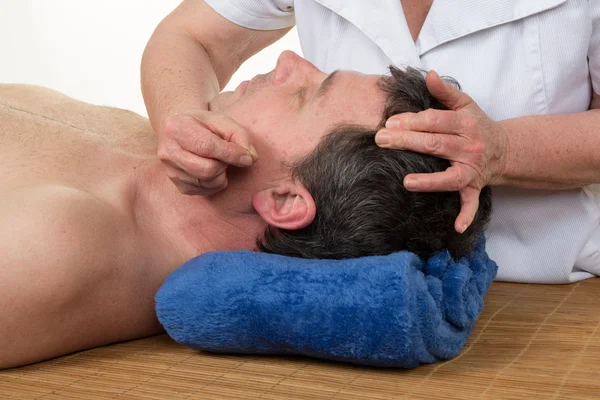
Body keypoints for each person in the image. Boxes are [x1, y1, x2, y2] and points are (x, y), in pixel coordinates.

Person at [0, 53, 490, 369]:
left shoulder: (63, 244)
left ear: (284, 201)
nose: (288, 60)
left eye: (303, 94)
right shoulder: (155, 142)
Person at [141, 0, 600, 284]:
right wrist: (180, 116)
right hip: (333, 269)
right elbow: (191, 36)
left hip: (549, 269)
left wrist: (505, 149)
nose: (288, 63)